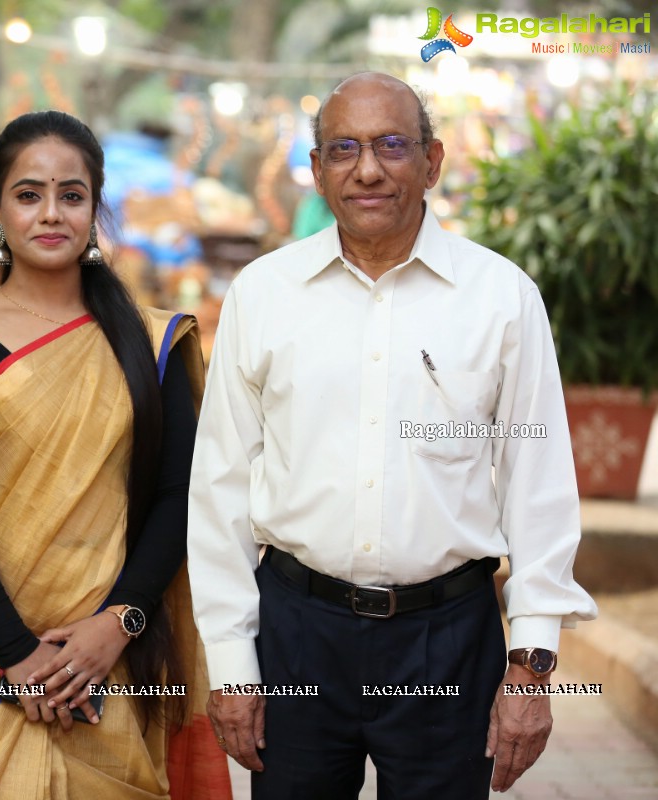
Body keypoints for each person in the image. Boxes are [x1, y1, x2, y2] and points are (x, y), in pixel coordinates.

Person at [186, 72, 598, 799]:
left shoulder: (501, 299)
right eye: (343, 148)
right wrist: (231, 669)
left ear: (432, 162)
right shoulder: (263, 294)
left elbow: (541, 489)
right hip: (297, 638)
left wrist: (531, 667)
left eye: (391, 145)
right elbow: (218, 489)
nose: (367, 168)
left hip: (447, 641)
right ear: (316, 171)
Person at [0, 110, 230, 799]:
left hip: (112, 655)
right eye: (28, 195)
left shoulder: (150, 340)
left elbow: (180, 496)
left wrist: (119, 622)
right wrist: (18, 653)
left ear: (95, 208)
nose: (51, 213)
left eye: (71, 195)